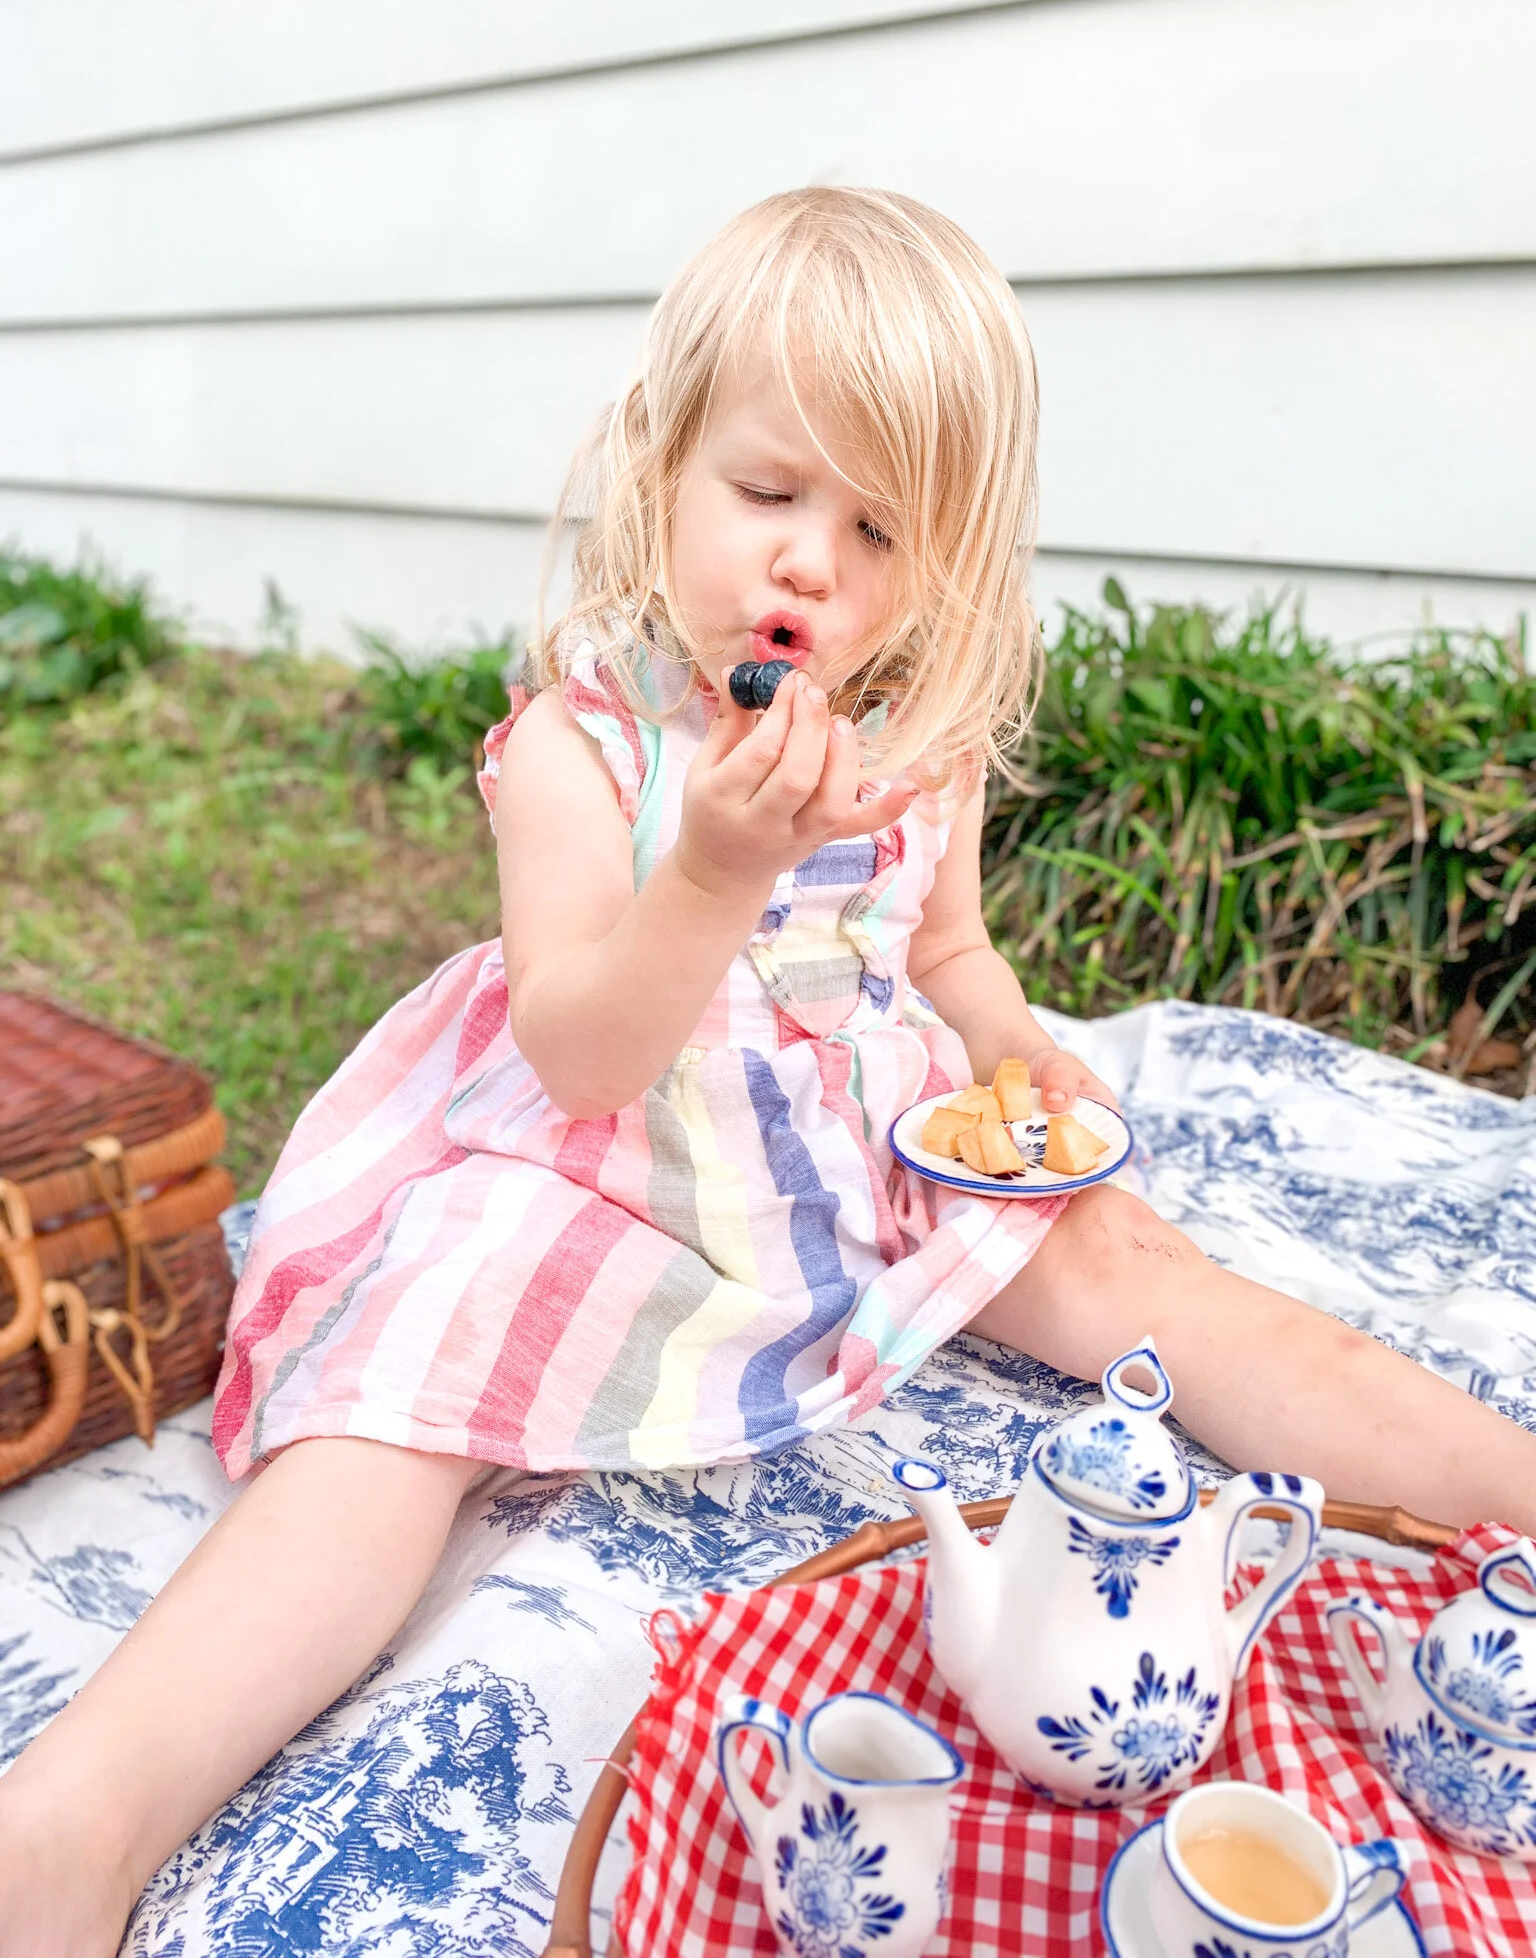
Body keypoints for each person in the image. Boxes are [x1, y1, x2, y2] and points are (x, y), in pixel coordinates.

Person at [2, 186, 1532, 1954]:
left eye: (881, 529)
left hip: (844, 1135)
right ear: (661, 472)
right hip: (598, 1164)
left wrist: (1020, 1058)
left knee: (1144, 1271)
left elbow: (943, 951)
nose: (814, 561)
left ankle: (1511, 1488)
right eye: (771, 492)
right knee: (395, 1405)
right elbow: (575, 1046)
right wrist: (717, 871)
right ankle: (76, 1826)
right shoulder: (591, 741)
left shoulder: (912, 749)